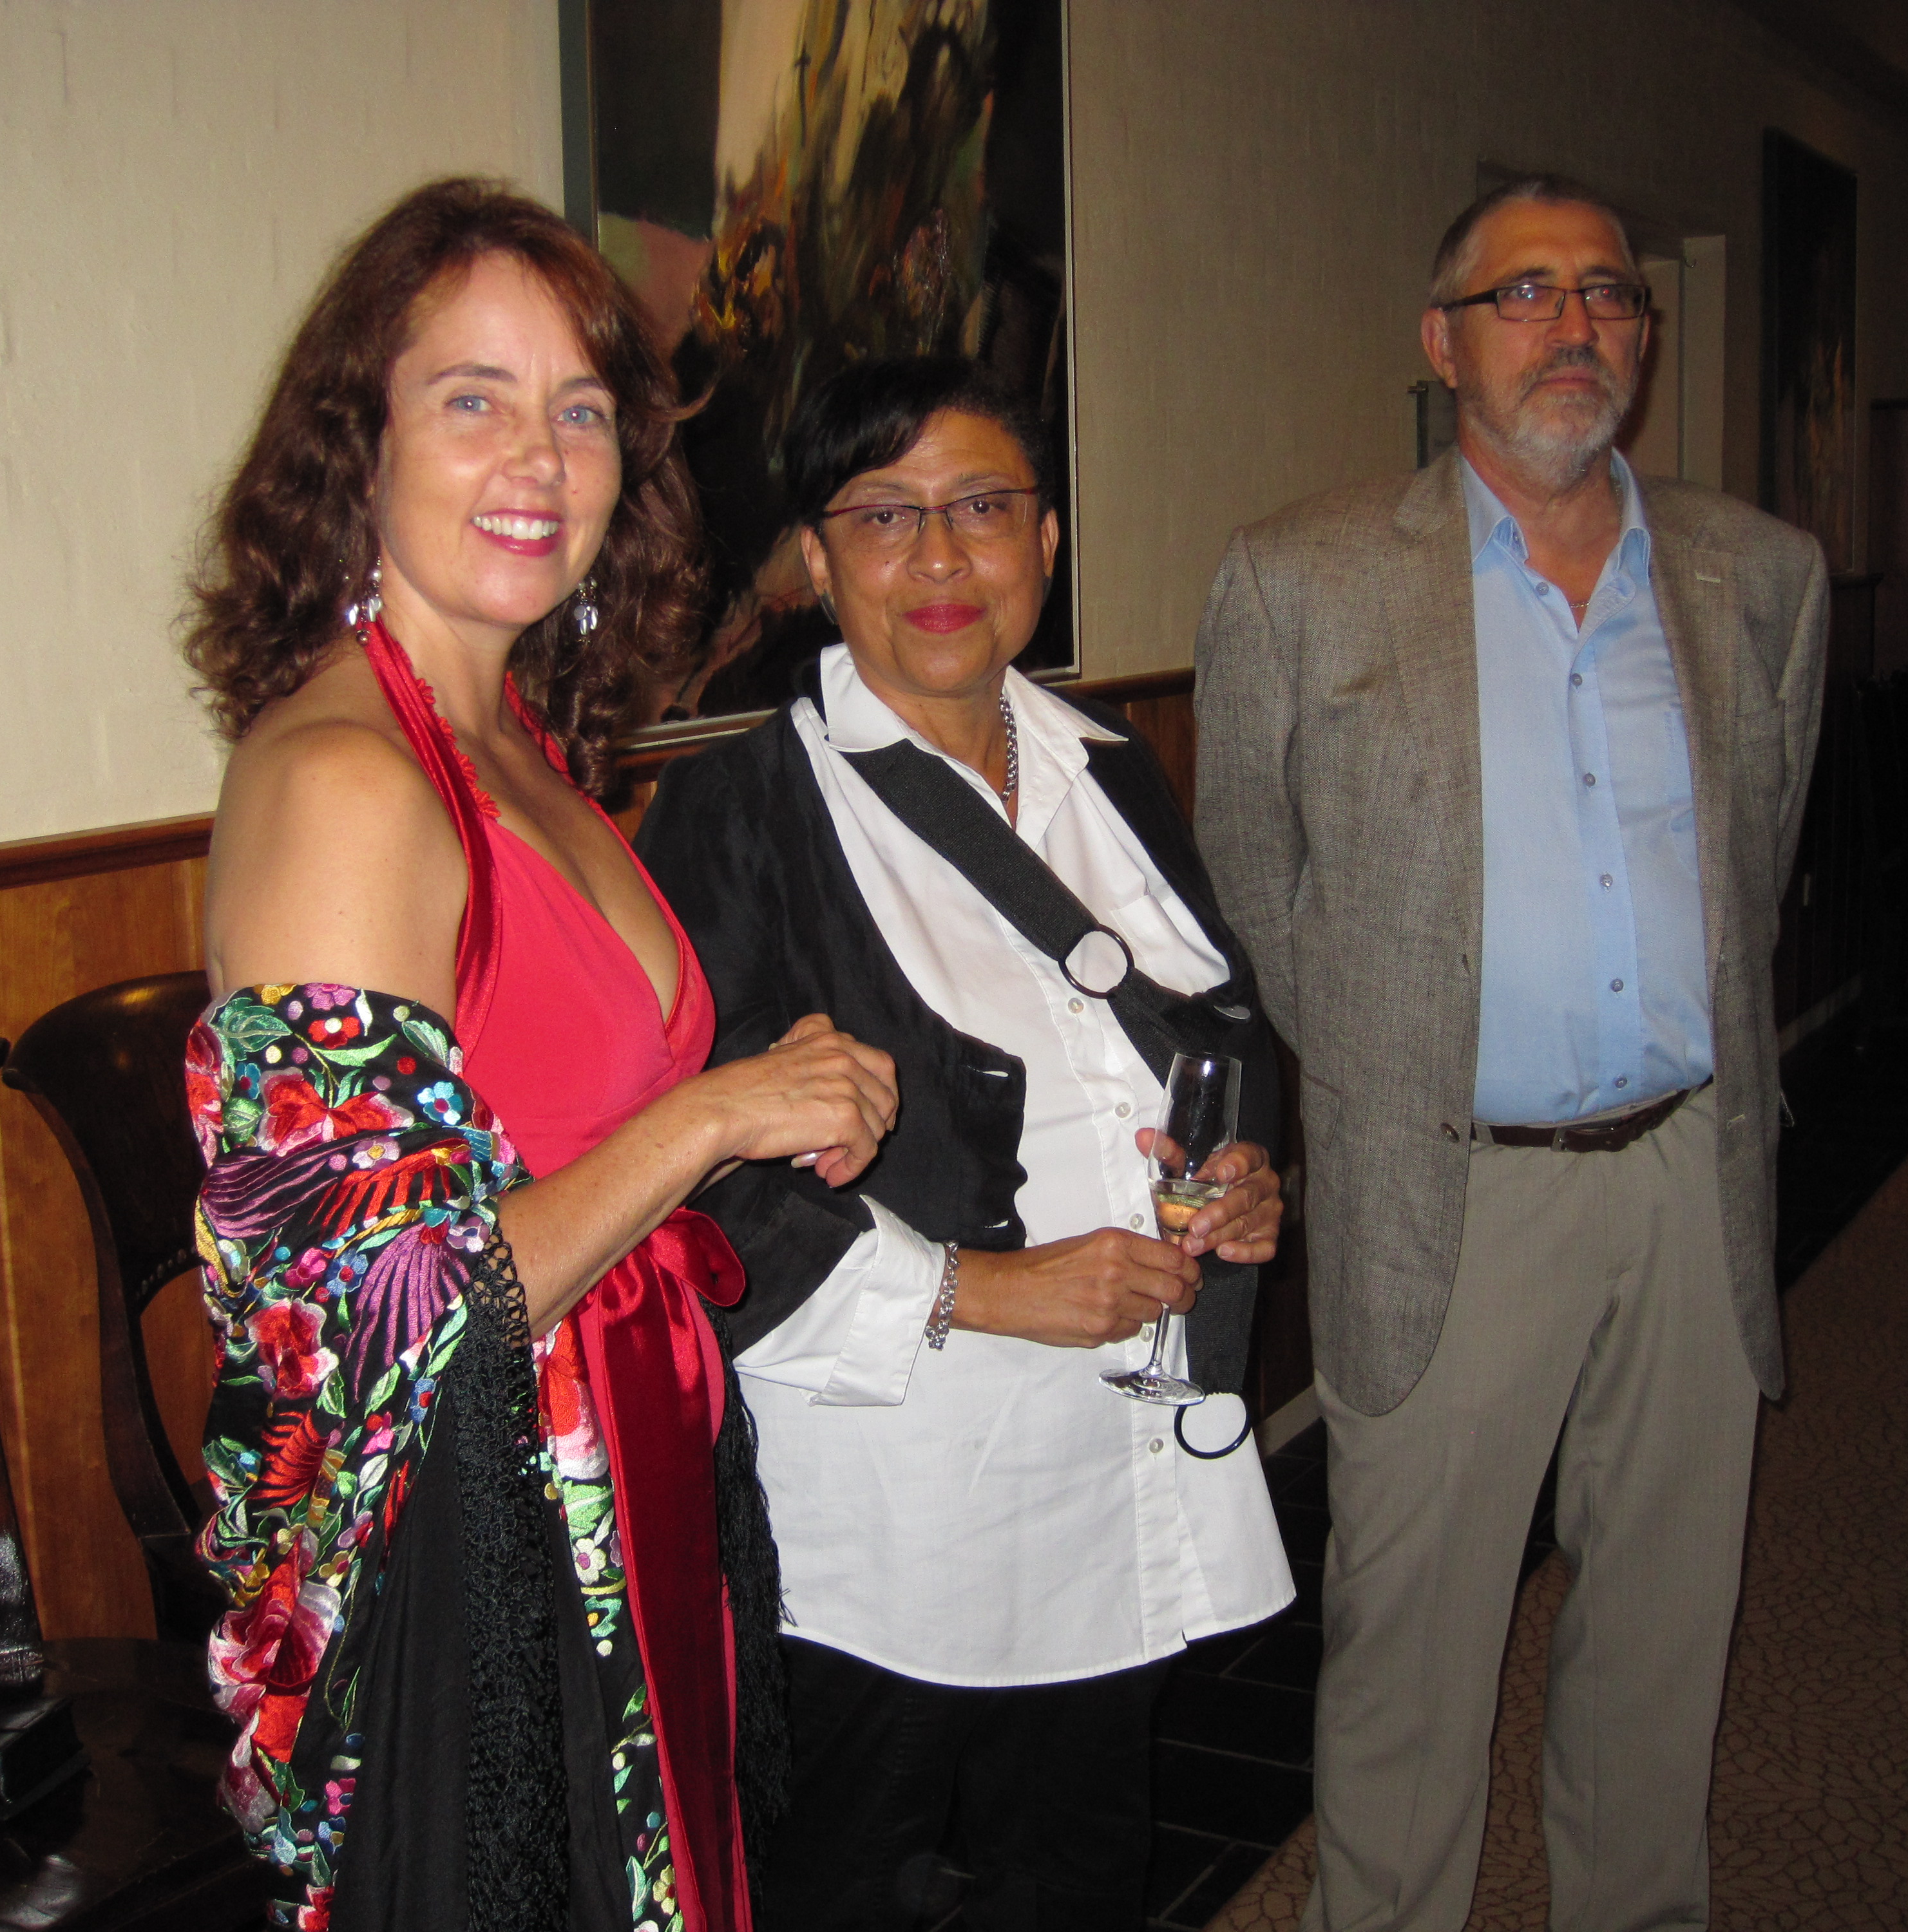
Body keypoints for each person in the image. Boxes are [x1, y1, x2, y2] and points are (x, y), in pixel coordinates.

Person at [180, 177, 898, 1932]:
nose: (539, 458)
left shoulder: (522, 741)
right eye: (472, 399)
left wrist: (748, 1099)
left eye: (580, 411)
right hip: (483, 1559)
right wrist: (716, 1117)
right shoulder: (346, 781)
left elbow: (569, 1106)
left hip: (626, 1467)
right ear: (358, 446)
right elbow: (386, 1314)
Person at [1194, 176, 1829, 1932]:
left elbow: (1754, 860)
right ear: (1442, 340)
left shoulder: (1759, 577)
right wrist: (1393, 1073)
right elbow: (1252, 874)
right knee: (1409, 1655)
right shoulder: (1300, 577)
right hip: (1450, 1199)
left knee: (1664, 1634)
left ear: (1644, 332)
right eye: (1524, 294)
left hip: (1691, 1178)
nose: (1573, 327)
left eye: (1607, 294)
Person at [634, 355, 1295, 1932]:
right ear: (815, 561)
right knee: (840, 1886)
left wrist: (1243, 1174)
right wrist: (988, 1290)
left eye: (981, 507)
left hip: (1108, 1458)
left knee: (1075, 1874)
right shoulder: (740, 813)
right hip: (890, 1508)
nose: (938, 557)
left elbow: (1213, 1022)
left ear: (1043, 542)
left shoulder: (1107, 766)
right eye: (883, 515)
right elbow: (699, 1192)